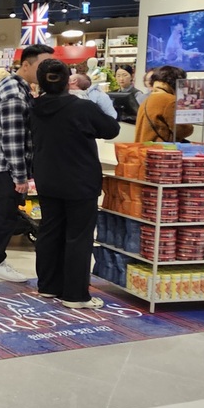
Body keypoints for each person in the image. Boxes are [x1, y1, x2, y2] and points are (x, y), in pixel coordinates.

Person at [31, 59, 121, 309]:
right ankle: (75, 294)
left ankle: (48, 285)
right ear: (68, 80)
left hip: (47, 177)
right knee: (78, 236)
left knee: (50, 230)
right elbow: (111, 129)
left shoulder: (35, 107)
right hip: (79, 178)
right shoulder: (82, 107)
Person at [0, 44, 54, 283]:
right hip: (2, 165)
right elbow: (13, 138)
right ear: (26, 65)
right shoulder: (14, 93)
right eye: (42, 65)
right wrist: (20, 177)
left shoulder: (10, 86)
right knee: (1, 214)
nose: (45, 70)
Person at [135, 65, 194, 143]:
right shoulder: (169, 101)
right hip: (162, 151)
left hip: (145, 149)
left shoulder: (148, 99)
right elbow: (183, 130)